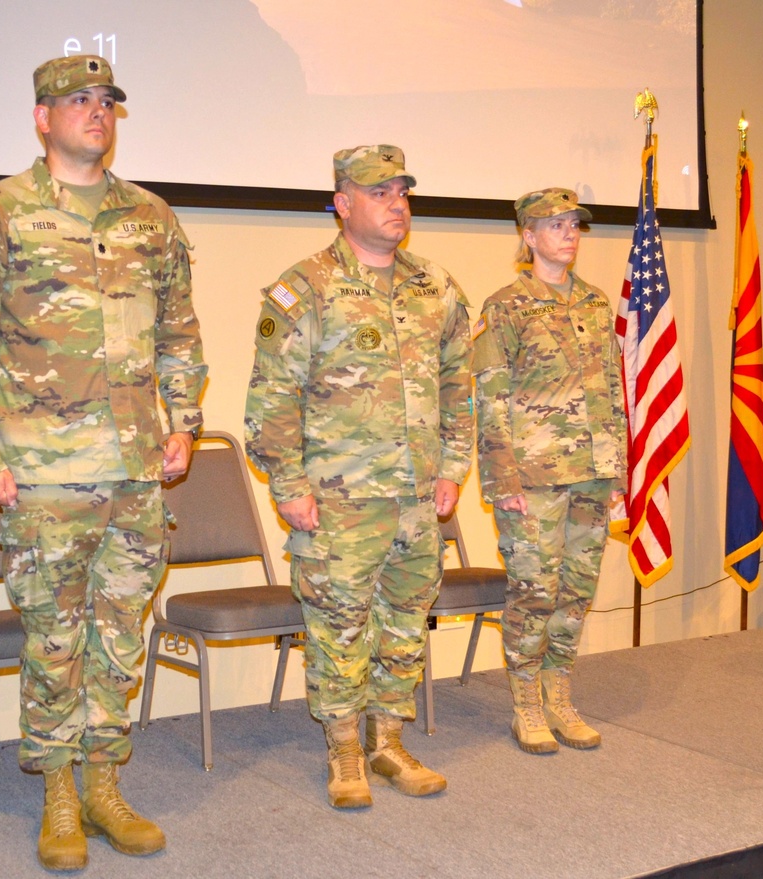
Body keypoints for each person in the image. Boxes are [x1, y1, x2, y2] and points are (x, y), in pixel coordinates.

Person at [0, 55, 207, 871]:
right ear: (42, 117)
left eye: (106, 100)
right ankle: (57, 791)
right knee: (55, 637)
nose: (96, 111)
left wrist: (185, 421)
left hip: (136, 471)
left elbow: (180, 331)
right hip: (44, 476)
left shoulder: (152, 218)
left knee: (120, 632)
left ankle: (104, 782)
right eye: (77, 100)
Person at [245, 145, 472, 809]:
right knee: (339, 627)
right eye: (379, 191)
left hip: (415, 498)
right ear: (343, 203)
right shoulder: (305, 287)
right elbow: (272, 398)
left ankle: (388, 741)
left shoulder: (436, 285)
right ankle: (345, 749)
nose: (396, 202)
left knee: (405, 622)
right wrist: (288, 484)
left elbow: (460, 382)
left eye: (402, 189)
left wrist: (454, 466)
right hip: (339, 501)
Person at [472, 188, 626, 755]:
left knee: (577, 589)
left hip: (592, 471)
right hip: (533, 477)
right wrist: (500, 481)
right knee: (535, 591)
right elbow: (488, 402)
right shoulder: (503, 307)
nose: (569, 232)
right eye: (555, 224)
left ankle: (560, 695)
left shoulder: (594, 302)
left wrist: (619, 472)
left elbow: (613, 389)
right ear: (528, 237)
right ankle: (526, 705)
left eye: (574, 224)